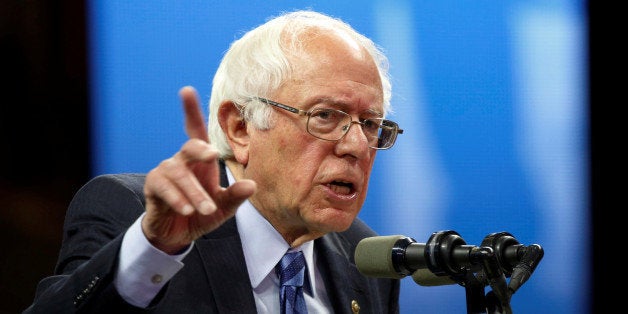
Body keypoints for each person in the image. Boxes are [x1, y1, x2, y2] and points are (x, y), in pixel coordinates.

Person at [25, 10, 403, 314]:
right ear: (240, 127)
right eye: (325, 116)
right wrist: (153, 248)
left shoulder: (365, 257)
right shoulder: (133, 216)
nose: (356, 145)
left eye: (370, 124)